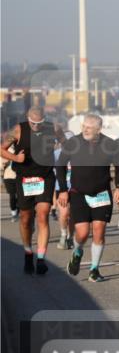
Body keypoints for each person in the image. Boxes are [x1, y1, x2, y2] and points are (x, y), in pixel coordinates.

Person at [56, 114, 119, 282]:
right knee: (83, 233)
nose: (84, 129)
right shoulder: (73, 143)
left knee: (99, 231)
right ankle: (78, 251)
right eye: (83, 126)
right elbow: (60, 166)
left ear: (98, 130)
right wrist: (63, 190)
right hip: (78, 193)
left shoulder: (110, 144)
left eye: (88, 127)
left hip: (101, 193)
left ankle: (94, 269)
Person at [0, 107, 63, 275]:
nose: (36, 126)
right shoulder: (18, 130)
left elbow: (67, 144)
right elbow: (1, 149)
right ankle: (28, 252)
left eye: (40, 123)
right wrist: (16, 158)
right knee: (26, 219)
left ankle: (41, 259)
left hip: (45, 177)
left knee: (43, 214)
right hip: (24, 178)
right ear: (28, 118)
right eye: (33, 123)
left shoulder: (54, 128)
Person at [2, 144, 17, 222]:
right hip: (8, 177)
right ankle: (14, 212)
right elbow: (1, 165)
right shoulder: (6, 150)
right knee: (12, 195)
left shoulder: (22, 149)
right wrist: (5, 162)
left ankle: (18, 210)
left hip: (20, 176)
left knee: (20, 195)